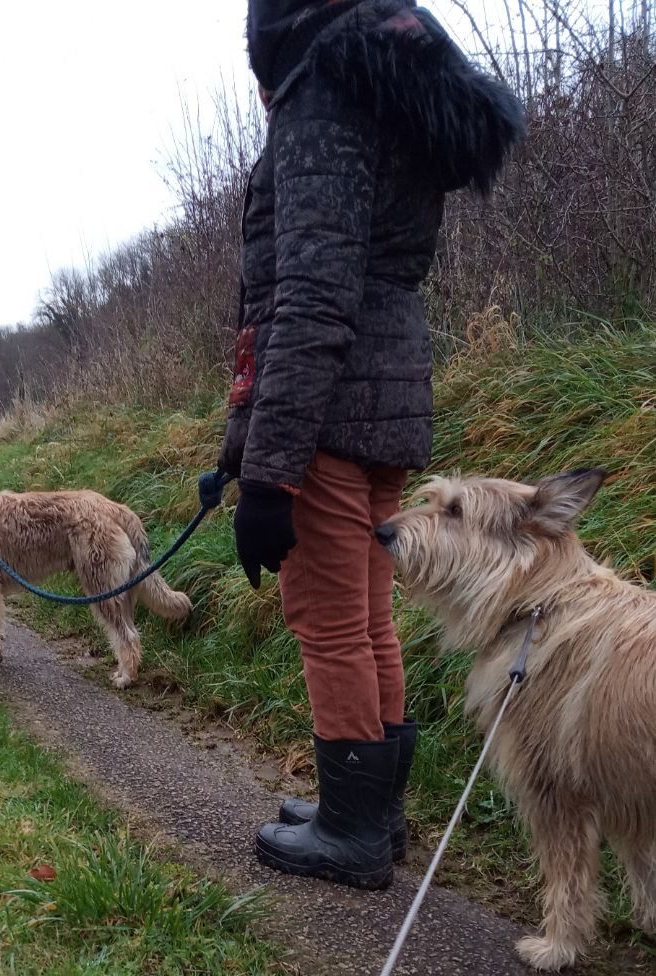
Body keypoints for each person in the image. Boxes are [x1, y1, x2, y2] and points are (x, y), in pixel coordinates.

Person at [217, 0, 525, 890]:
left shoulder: (322, 96)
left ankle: (352, 832)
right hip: (382, 392)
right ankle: (371, 815)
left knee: (326, 620)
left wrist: (270, 472)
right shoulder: (385, 90)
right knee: (363, 615)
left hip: (328, 404)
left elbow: (308, 295)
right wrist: (242, 446)